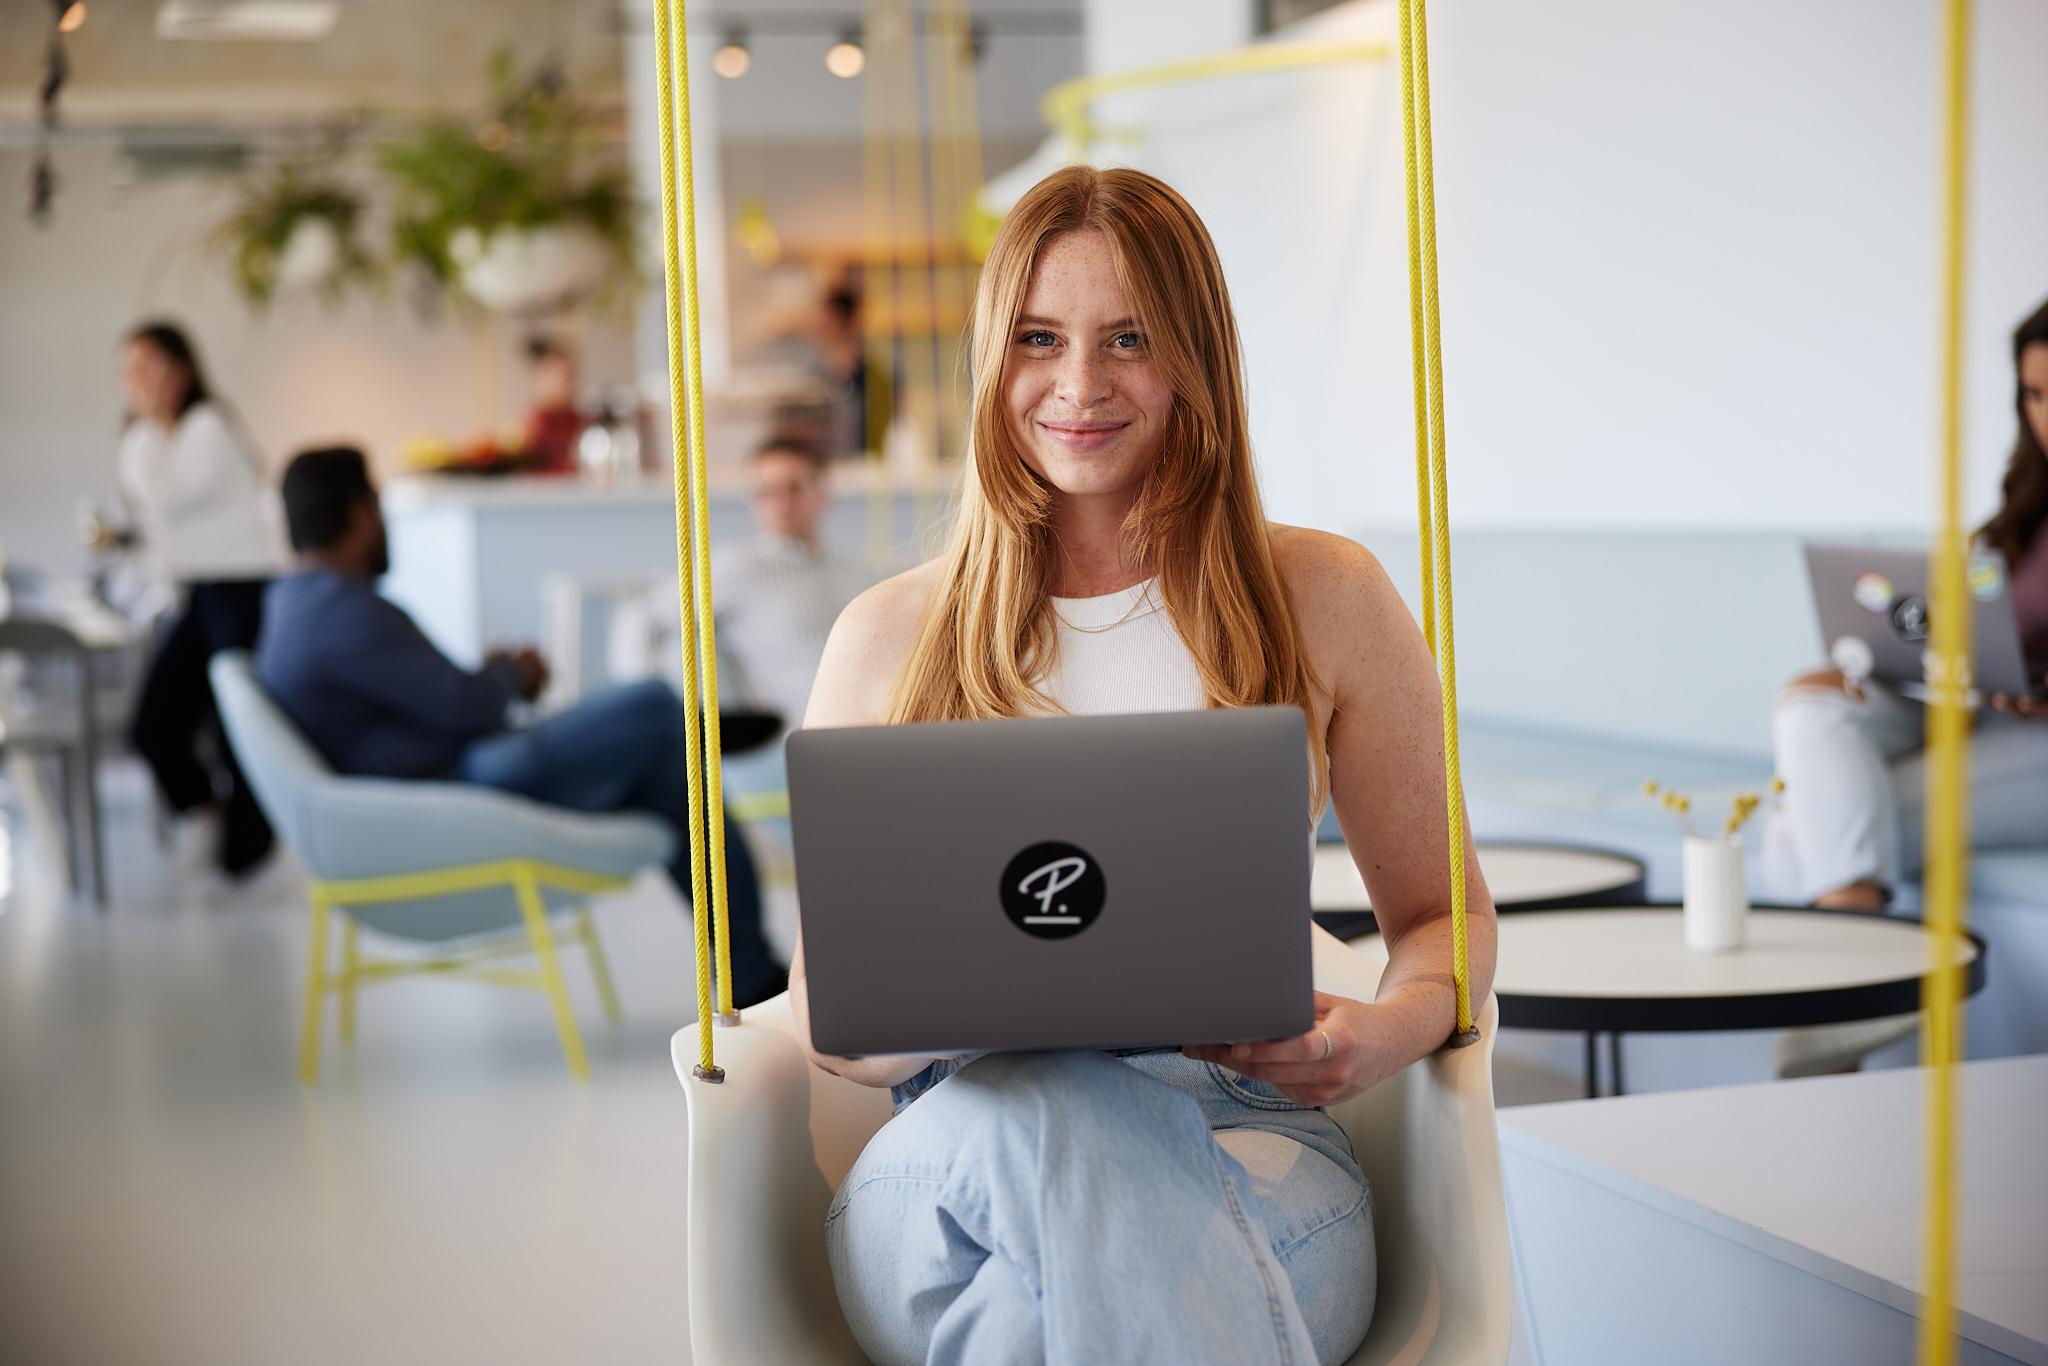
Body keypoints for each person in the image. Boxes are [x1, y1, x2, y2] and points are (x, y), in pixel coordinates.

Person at [789, 167, 1498, 1366]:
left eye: (1128, 337)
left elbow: (1443, 918)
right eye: (1038, 338)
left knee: (1022, 1332)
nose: (1078, 383)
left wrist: (1382, 1031)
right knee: (1049, 1108)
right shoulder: (886, 636)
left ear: (1194, 357)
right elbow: (827, 1019)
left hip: (1245, 1143)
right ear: (990, 359)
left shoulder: (1325, 597)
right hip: (954, 1144)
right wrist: (913, 1024)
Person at [256, 447, 784, 1009]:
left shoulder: (297, 605)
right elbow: (465, 706)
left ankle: (753, 978)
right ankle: (702, 730)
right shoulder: (341, 612)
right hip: (458, 786)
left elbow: (436, 697)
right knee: (651, 704)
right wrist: (515, 673)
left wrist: (490, 678)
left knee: (670, 781)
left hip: (441, 774)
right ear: (361, 515)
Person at [1770, 297, 2048, 911]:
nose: (2045, 416)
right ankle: (1863, 986)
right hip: (1988, 716)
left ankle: (1850, 987)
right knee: (1814, 698)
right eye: (2033, 395)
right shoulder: (2030, 506)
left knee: (1796, 836)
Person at [114, 321, 283, 877]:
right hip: (197, 592)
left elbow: (161, 503)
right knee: (153, 722)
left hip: (240, 589)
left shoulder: (208, 427)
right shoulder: (151, 440)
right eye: (129, 370)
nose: (136, 382)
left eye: (148, 366)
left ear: (182, 369)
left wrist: (140, 433)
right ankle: (208, 816)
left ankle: (250, 855)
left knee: (239, 726)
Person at [709, 439, 874, 732]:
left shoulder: (857, 573)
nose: (782, 504)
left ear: (824, 494)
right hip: (799, 740)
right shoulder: (740, 567)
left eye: (794, 488)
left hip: (875, 725)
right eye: (767, 492)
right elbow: (643, 617)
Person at [523, 337, 585, 474]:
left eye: (570, 377)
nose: (567, 385)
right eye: (559, 378)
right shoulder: (537, 423)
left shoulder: (578, 419)